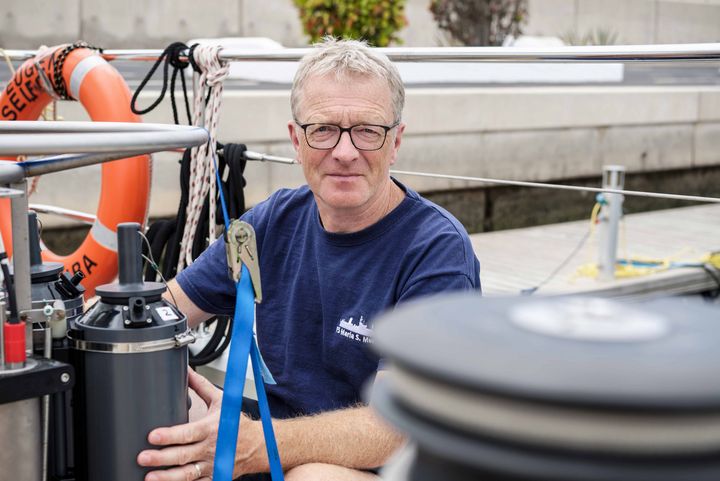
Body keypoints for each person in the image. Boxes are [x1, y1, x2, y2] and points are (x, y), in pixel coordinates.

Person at [137, 38, 481, 481]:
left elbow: (396, 425)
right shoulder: (273, 222)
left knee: (313, 478)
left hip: (393, 468)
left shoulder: (437, 249)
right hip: (286, 440)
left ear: (395, 141)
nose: (344, 151)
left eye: (367, 130)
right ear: (296, 140)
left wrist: (258, 445)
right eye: (322, 129)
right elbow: (163, 311)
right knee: (166, 418)